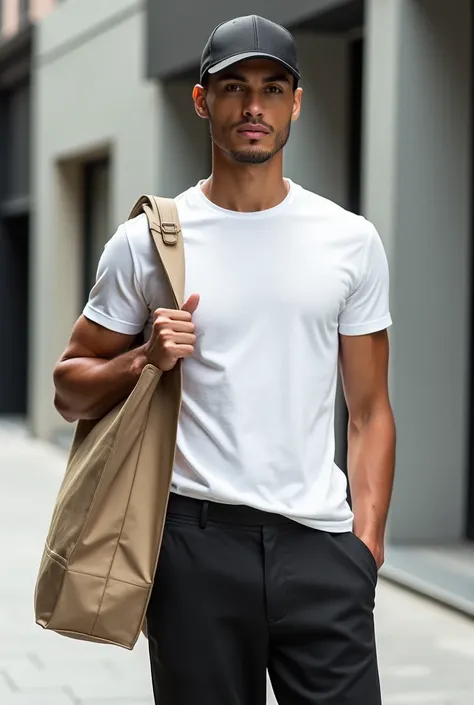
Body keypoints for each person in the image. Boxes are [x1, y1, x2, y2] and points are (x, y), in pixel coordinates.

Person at [53, 14, 396, 705]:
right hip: (193, 546)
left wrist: (366, 547)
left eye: (273, 89)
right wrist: (143, 358)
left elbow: (369, 410)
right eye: (234, 88)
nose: (253, 107)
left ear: (296, 102)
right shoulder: (149, 242)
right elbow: (68, 388)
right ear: (202, 100)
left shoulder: (349, 241)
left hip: (322, 550)